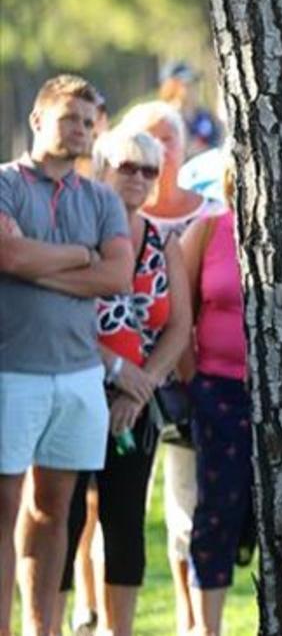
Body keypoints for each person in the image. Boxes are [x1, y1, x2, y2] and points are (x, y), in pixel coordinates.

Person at [0, 74, 134, 636]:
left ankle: (40, 628)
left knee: (54, 512)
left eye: (87, 121)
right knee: (3, 512)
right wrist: (82, 256)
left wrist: (39, 261)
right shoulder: (5, 184)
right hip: (12, 372)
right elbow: (6, 255)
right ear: (37, 121)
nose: (80, 130)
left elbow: (119, 275)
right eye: (68, 119)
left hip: (78, 377)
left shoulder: (101, 197)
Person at [54, 129, 192, 636]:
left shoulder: (162, 241)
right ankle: (50, 623)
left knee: (125, 518)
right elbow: (56, 316)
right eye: (127, 167)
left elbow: (178, 326)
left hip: (136, 404)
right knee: (64, 518)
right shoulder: (74, 235)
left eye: (149, 170)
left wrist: (142, 385)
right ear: (102, 169)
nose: (138, 179)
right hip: (71, 389)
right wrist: (114, 371)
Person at [120, 99, 223, 636]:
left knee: (187, 504)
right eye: (147, 140)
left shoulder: (205, 214)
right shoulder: (112, 214)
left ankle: (190, 620)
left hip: (187, 379)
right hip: (118, 380)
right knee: (108, 507)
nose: (159, 151)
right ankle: (94, 613)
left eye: (169, 140)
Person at [177, 165, 251, 636]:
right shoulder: (206, 231)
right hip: (217, 394)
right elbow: (179, 313)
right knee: (216, 512)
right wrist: (193, 384)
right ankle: (209, 629)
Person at [158, 61, 223, 157]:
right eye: (187, 84)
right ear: (171, 86)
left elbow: (219, 142)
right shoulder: (164, 119)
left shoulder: (204, 116)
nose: (194, 89)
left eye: (194, 83)